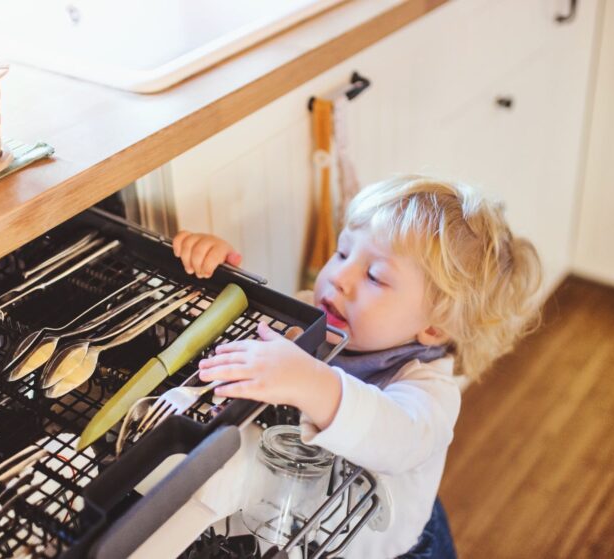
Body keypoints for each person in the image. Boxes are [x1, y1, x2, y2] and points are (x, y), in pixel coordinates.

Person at [173, 175, 542, 558]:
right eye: (344, 252)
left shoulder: (429, 390)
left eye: (375, 277)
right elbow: (234, 342)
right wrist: (208, 281)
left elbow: (398, 438)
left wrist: (312, 383)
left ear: (433, 326)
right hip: (296, 531)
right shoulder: (311, 315)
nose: (339, 277)